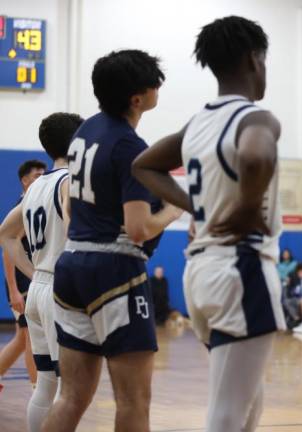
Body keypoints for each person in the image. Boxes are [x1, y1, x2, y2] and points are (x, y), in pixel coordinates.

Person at [131, 16, 286, 431]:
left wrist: (200, 208)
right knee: (227, 413)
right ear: (256, 59)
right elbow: (256, 157)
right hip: (240, 268)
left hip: (201, 275)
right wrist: (245, 211)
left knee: (246, 397)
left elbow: (144, 165)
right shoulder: (257, 119)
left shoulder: (198, 123)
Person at [41, 51, 182, 432]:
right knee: (134, 402)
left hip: (71, 264)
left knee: (71, 397)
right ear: (137, 99)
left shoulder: (84, 131)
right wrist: (174, 209)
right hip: (114, 269)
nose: (158, 88)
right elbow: (137, 229)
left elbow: (70, 205)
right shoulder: (130, 148)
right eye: (154, 83)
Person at [0, 114, 81, 429]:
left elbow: (5, 233)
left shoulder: (36, 187)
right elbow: (75, 232)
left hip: (39, 289)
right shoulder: (69, 182)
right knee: (67, 386)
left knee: (45, 384)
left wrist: (34, 273)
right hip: (61, 290)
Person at [0, 160, 45, 389]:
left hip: (29, 277)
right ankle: (36, 388)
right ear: (24, 180)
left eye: (43, 174)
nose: (42, 178)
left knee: (20, 339)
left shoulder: (36, 203)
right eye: (37, 175)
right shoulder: (24, 205)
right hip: (22, 281)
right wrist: (13, 290)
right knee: (30, 337)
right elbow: (8, 249)